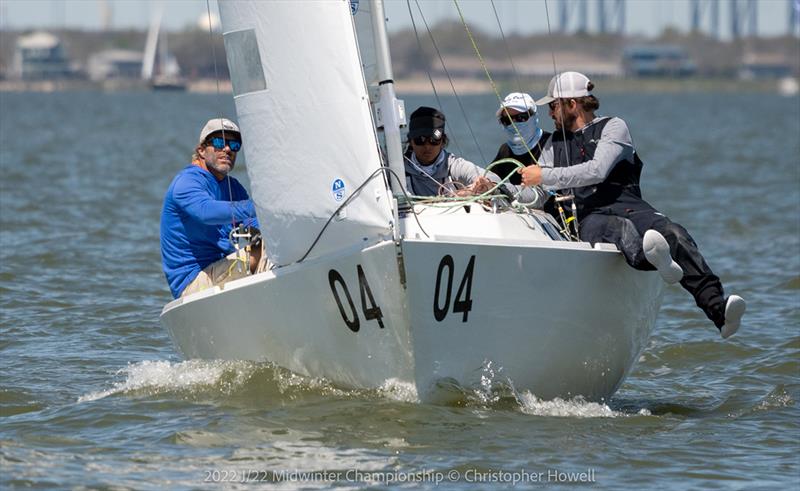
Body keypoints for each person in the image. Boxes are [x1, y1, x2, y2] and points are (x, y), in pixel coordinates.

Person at [519, 71, 745, 339]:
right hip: (589, 216)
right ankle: (655, 261)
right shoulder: (551, 146)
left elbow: (598, 170)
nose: (550, 113)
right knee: (621, 230)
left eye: (554, 106)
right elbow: (540, 194)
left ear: (572, 104)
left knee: (675, 233)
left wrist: (544, 174)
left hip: (629, 203)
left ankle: (719, 311)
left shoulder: (614, 127)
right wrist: (498, 190)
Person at [160, 117, 265, 299]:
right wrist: (263, 205)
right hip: (194, 285)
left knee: (280, 245)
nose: (227, 149)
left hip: (225, 269)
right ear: (201, 150)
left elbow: (260, 223)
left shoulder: (234, 187)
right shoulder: (186, 182)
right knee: (266, 251)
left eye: (234, 145)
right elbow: (205, 212)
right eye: (219, 142)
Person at [404, 106, 507, 198]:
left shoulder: (455, 167)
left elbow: (495, 181)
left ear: (443, 141)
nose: (427, 146)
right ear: (411, 141)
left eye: (433, 140)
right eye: (420, 140)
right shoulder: (396, 171)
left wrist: (484, 185)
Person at [492, 92, 551, 189]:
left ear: (535, 117)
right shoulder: (505, 150)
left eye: (521, 117)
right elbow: (490, 178)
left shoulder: (551, 143)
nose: (514, 124)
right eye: (507, 120)